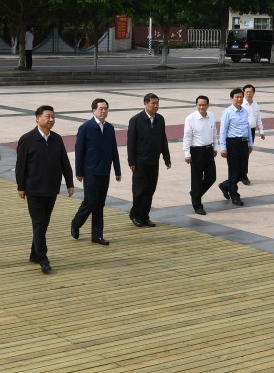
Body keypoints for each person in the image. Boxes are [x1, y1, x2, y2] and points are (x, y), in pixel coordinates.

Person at [16, 105, 74, 273]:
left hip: (52, 188)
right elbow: (21, 166)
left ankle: (35, 253)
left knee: (44, 223)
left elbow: (64, 162)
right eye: (47, 116)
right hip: (34, 189)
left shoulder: (57, 139)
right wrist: (21, 186)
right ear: (37, 118)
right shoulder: (27, 139)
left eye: (53, 117)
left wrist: (69, 183)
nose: (51, 120)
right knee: (39, 223)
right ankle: (43, 258)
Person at [71, 98, 121, 245]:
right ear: (93, 110)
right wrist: (79, 172)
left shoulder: (110, 128)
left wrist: (117, 170)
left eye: (106, 109)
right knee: (90, 202)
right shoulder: (85, 127)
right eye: (101, 109)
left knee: (100, 204)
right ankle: (76, 223)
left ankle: (97, 235)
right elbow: (79, 151)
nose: (103, 111)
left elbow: (114, 150)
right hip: (90, 171)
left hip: (105, 171)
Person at [126, 93, 171, 227]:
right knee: (139, 191)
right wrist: (132, 162)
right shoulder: (136, 120)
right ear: (146, 103)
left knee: (150, 191)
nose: (156, 106)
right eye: (153, 103)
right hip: (140, 163)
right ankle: (135, 215)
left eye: (157, 103)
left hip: (154, 161)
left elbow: (163, 140)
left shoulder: (160, 119)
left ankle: (145, 216)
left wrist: (166, 158)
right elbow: (131, 143)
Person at [182, 95, 218, 215]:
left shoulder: (211, 116)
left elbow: (214, 132)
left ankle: (195, 194)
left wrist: (215, 147)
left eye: (204, 105)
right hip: (196, 151)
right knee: (197, 179)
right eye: (199, 105)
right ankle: (197, 205)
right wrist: (187, 154)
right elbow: (187, 137)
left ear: (208, 105)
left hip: (209, 150)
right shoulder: (190, 118)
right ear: (196, 105)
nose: (201, 107)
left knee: (212, 177)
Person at [217, 88, 253, 207]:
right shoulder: (227, 112)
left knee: (243, 171)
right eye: (236, 97)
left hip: (243, 143)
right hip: (232, 143)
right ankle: (234, 195)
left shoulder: (245, 111)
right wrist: (223, 147)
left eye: (240, 97)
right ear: (232, 98)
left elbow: (248, 128)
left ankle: (225, 185)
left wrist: (250, 143)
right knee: (233, 170)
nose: (239, 99)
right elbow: (223, 131)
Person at [239, 84, 264, 186]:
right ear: (243, 93)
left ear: (254, 93)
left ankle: (242, 173)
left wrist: (261, 131)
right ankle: (243, 175)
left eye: (251, 92)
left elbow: (258, 118)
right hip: (243, 132)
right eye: (247, 92)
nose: (249, 94)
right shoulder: (241, 104)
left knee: (247, 153)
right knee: (243, 154)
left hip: (252, 132)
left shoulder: (255, 104)